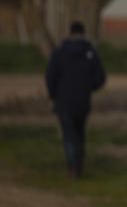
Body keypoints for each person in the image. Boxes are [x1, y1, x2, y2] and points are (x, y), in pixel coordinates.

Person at [45, 21, 106, 178]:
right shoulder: (90, 52)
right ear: (83, 33)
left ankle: (73, 167)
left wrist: (54, 94)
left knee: (69, 136)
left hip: (63, 101)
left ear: (69, 32)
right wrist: (87, 88)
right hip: (83, 101)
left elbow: (50, 77)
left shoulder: (59, 52)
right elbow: (100, 78)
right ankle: (78, 165)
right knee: (79, 134)